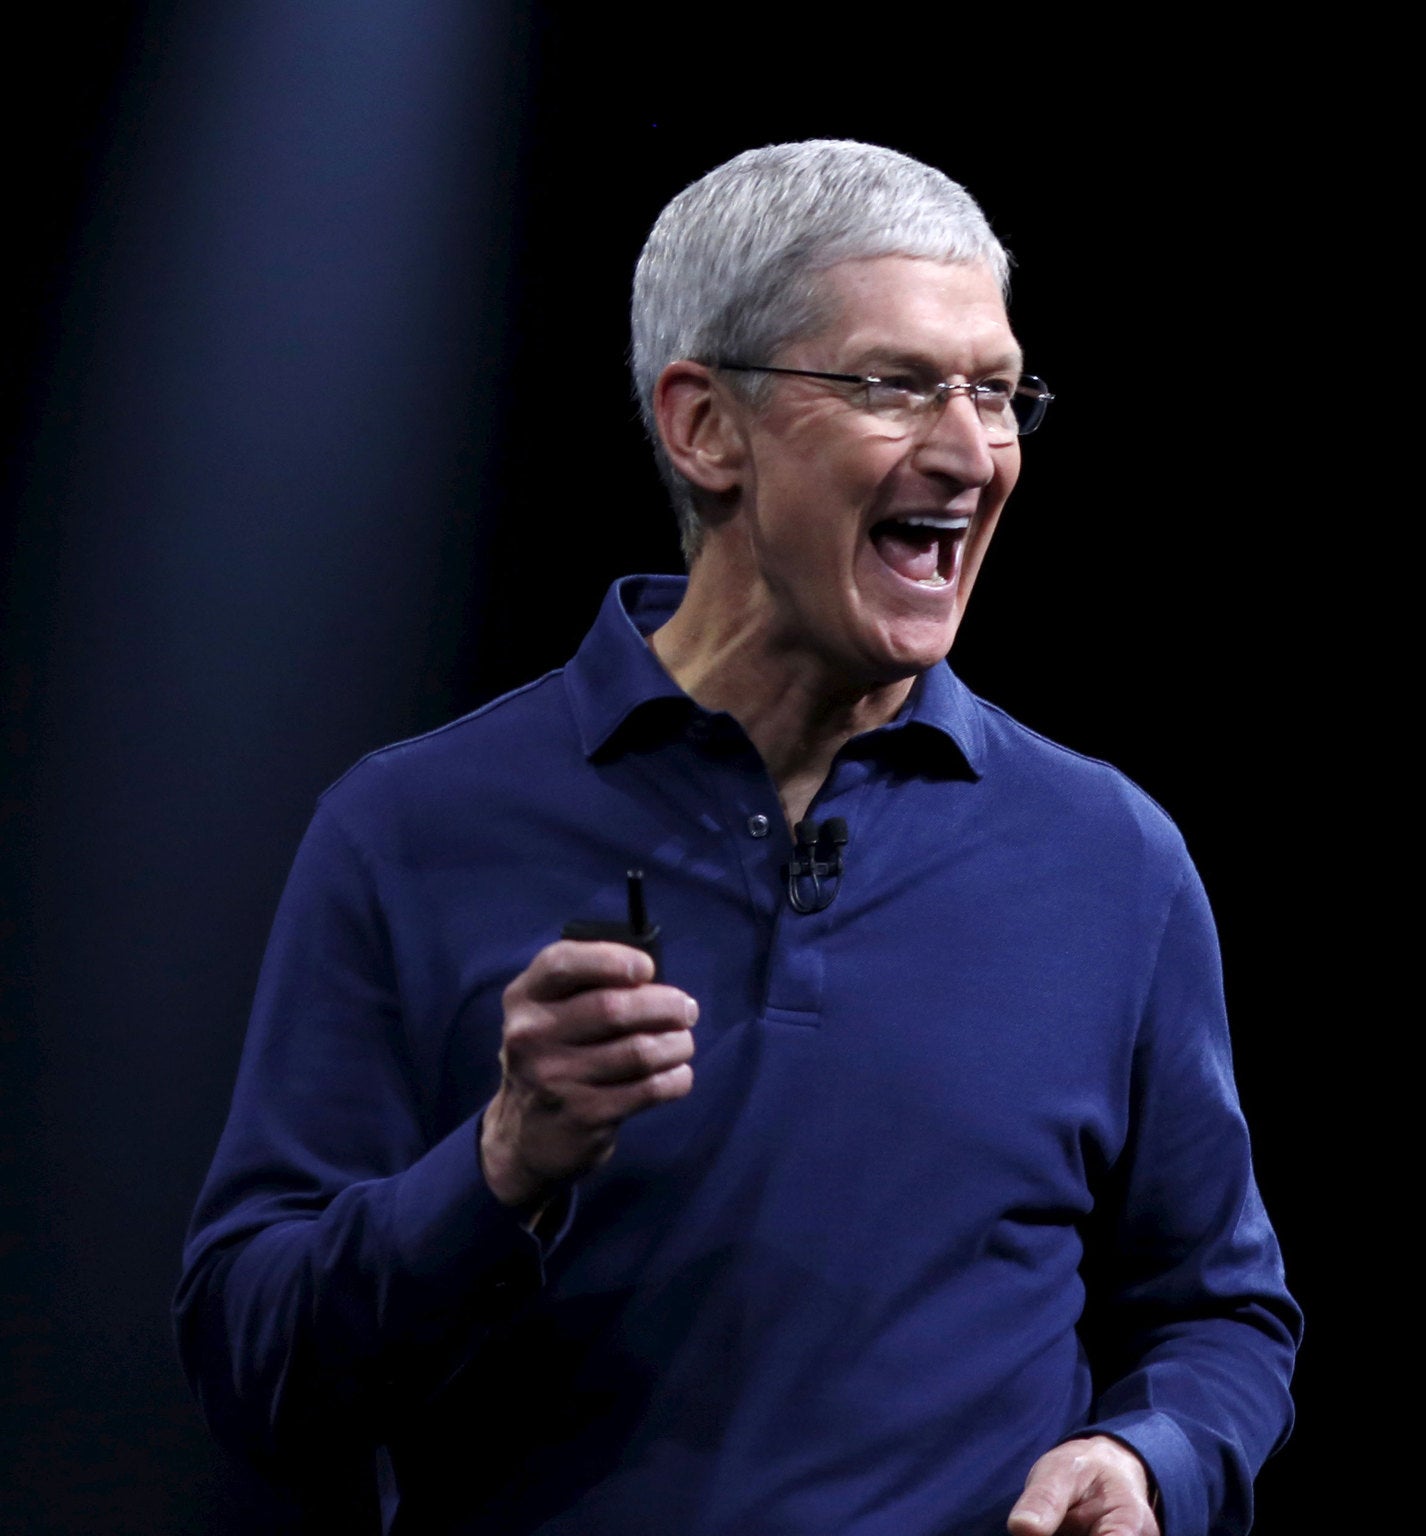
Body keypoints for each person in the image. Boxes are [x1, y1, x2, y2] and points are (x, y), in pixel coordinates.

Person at [177, 140, 1299, 1536]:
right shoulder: (409, 831)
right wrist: (503, 1162)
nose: (971, 452)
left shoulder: (1113, 856)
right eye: (895, 386)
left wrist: (1156, 1462)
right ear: (705, 425)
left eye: (999, 392)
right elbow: (253, 1372)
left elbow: (1221, 1316)